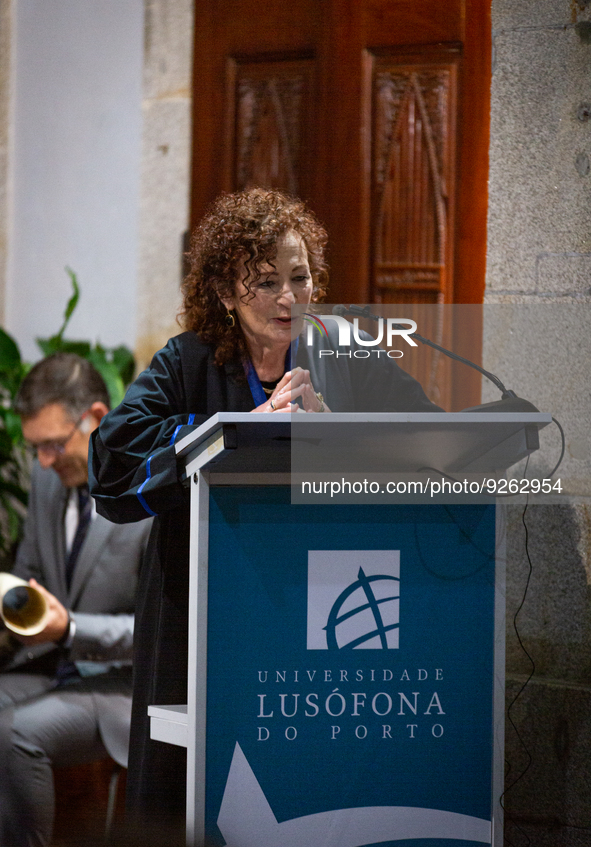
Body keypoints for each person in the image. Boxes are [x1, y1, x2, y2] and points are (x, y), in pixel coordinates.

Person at [89, 187, 441, 830]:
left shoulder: (348, 353)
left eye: (301, 277)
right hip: (203, 609)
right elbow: (110, 460)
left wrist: (341, 431)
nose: (289, 298)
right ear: (226, 293)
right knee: (193, 798)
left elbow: (431, 440)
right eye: (266, 281)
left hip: (327, 604)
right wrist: (235, 426)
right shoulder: (188, 360)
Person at [0, 353, 151, 847]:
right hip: (50, 665)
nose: (42, 461)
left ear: (98, 419)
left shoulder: (150, 497)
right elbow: (28, 581)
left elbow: (157, 634)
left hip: (121, 685)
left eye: (53, 445)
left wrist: (69, 629)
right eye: (36, 448)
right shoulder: (48, 480)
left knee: (16, 733)